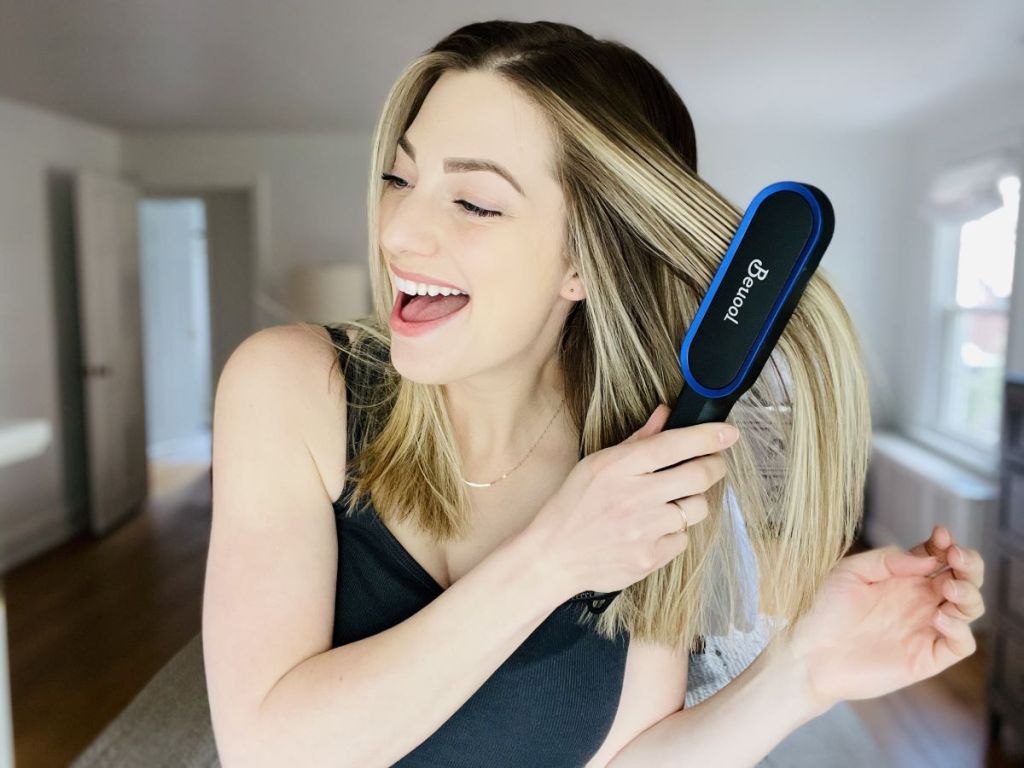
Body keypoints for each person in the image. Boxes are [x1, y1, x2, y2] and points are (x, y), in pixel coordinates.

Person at [202, 19, 986, 768]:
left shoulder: (641, 463)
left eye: (473, 201)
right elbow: (267, 753)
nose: (399, 230)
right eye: (398, 177)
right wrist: (551, 560)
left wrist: (807, 671)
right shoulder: (295, 387)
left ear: (582, 262)